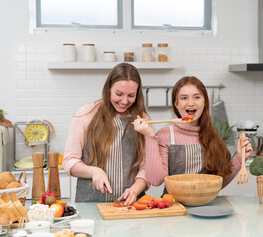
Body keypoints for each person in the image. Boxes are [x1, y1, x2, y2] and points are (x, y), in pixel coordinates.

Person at [133, 76, 253, 190]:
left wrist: (239, 158)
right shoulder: (165, 135)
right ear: (176, 103)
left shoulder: (212, 135)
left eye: (197, 97)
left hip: (207, 205)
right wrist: (149, 136)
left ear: (205, 102)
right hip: (175, 206)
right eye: (184, 98)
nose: (191, 103)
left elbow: (218, 183)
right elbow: (156, 180)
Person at [63, 63, 149, 205]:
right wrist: (93, 171)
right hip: (90, 204)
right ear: (108, 88)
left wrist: (134, 189)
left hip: (132, 206)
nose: (124, 101)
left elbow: (146, 167)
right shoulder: (85, 114)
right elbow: (69, 161)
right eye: (119, 94)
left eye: (131, 95)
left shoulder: (142, 119)